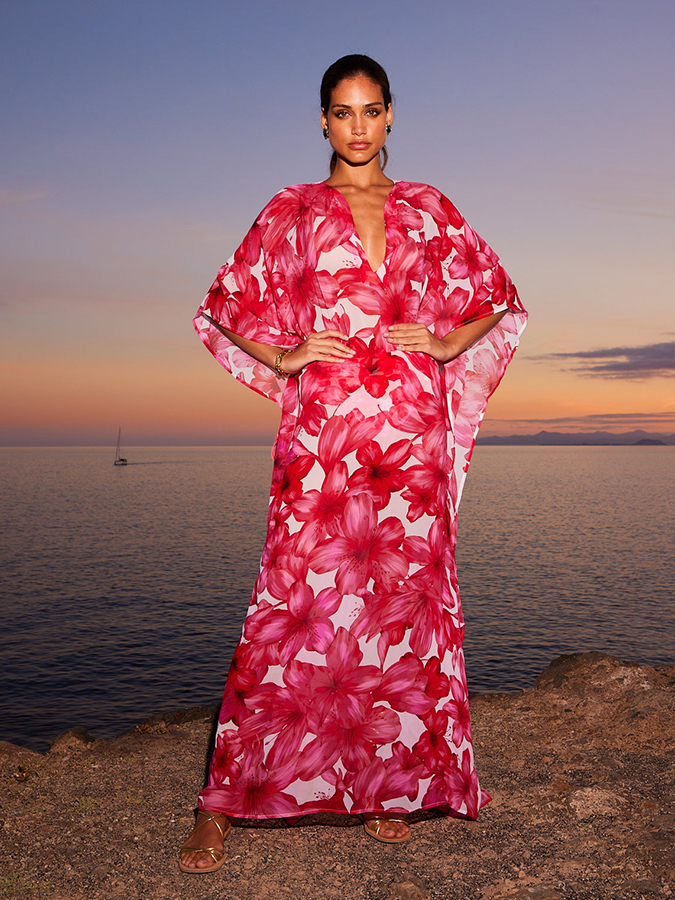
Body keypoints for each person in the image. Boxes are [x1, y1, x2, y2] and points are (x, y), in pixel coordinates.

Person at [179, 53, 527, 873]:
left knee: (397, 609)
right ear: (323, 121)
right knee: (290, 602)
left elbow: (496, 293)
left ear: (393, 115)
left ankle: (384, 783)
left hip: (410, 439)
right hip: (324, 435)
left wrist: (443, 342)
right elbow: (224, 304)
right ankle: (219, 802)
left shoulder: (428, 206)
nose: (358, 127)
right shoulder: (292, 209)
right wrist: (289, 353)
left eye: (371, 111)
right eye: (342, 113)